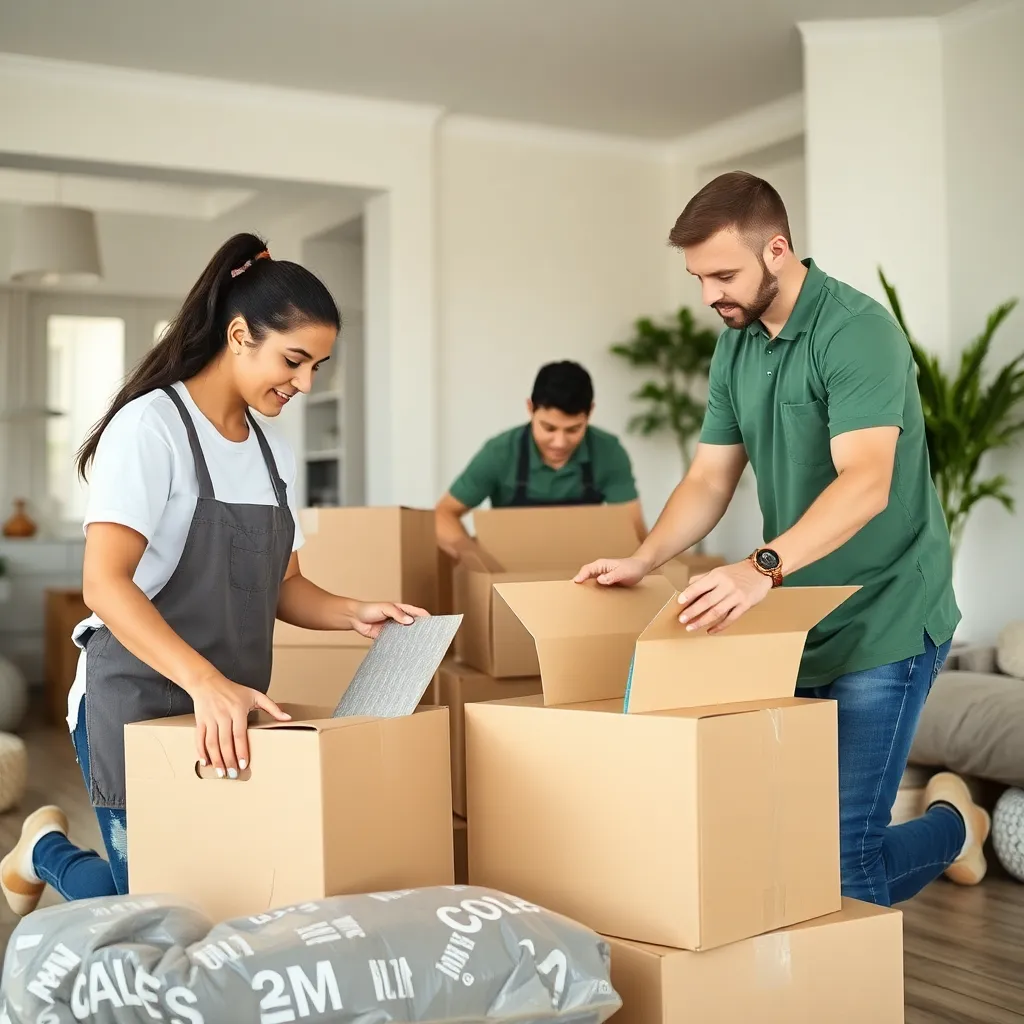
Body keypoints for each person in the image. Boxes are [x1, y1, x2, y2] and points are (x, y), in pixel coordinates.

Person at [574, 171, 990, 907]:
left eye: (723, 275)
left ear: (776, 250)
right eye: (699, 279)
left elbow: (866, 482)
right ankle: (952, 831)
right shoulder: (735, 348)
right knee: (786, 840)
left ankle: (957, 827)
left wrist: (760, 567)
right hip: (800, 618)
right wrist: (644, 558)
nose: (710, 296)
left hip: (888, 614)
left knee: (843, 865)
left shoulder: (856, 331)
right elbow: (710, 479)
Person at [0, 234, 428, 917]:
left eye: (317, 366)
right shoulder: (152, 427)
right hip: (137, 699)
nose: (306, 384)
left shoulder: (271, 452)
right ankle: (43, 850)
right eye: (294, 360)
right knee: (154, 910)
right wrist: (204, 681)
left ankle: (47, 850)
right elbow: (105, 584)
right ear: (238, 335)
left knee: (218, 897)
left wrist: (353, 611)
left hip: (229, 709)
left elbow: (283, 585)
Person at [436, 360, 645, 563]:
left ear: (590, 412)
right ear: (530, 408)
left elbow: (634, 531)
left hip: (582, 573)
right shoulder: (499, 452)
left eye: (573, 429)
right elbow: (443, 514)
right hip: (510, 574)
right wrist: (477, 561)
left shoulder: (609, 452)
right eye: (549, 428)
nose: (560, 442)